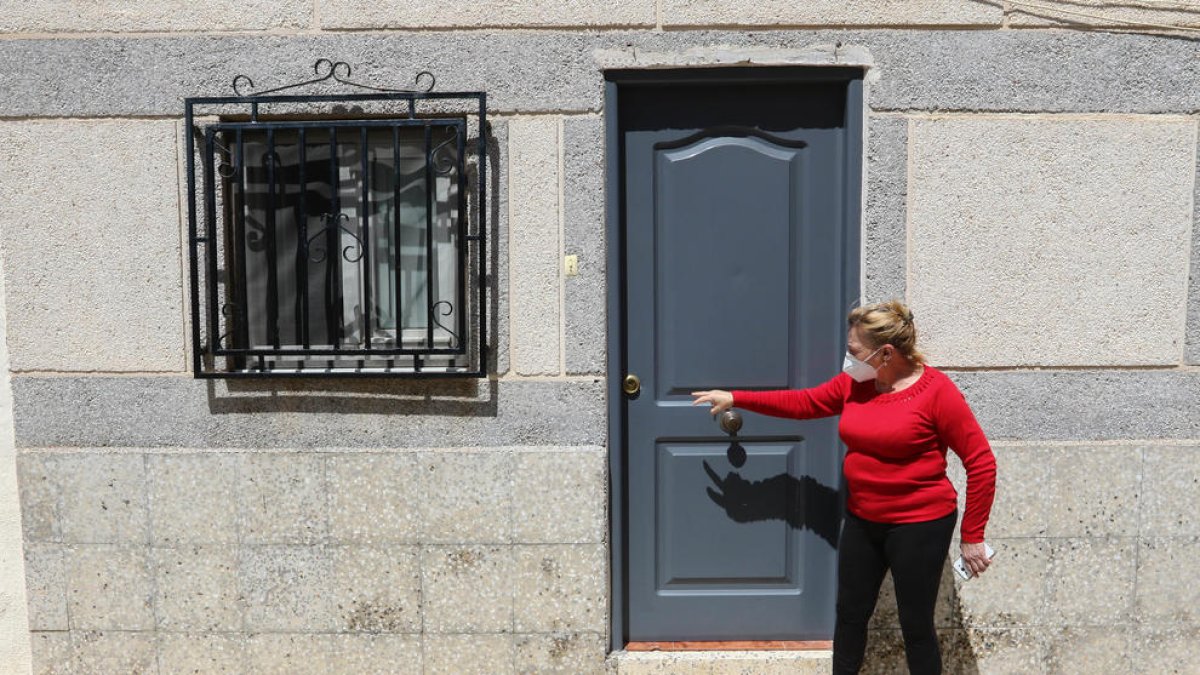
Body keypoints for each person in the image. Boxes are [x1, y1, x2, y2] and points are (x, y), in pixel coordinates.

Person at [691, 300, 996, 675]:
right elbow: (805, 403)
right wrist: (738, 398)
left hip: (920, 525)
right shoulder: (857, 384)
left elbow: (980, 461)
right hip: (862, 519)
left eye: (854, 351)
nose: (847, 359)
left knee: (916, 626)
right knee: (850, 615)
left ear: (886, 353)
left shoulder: (937, 392)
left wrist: (973, 534)